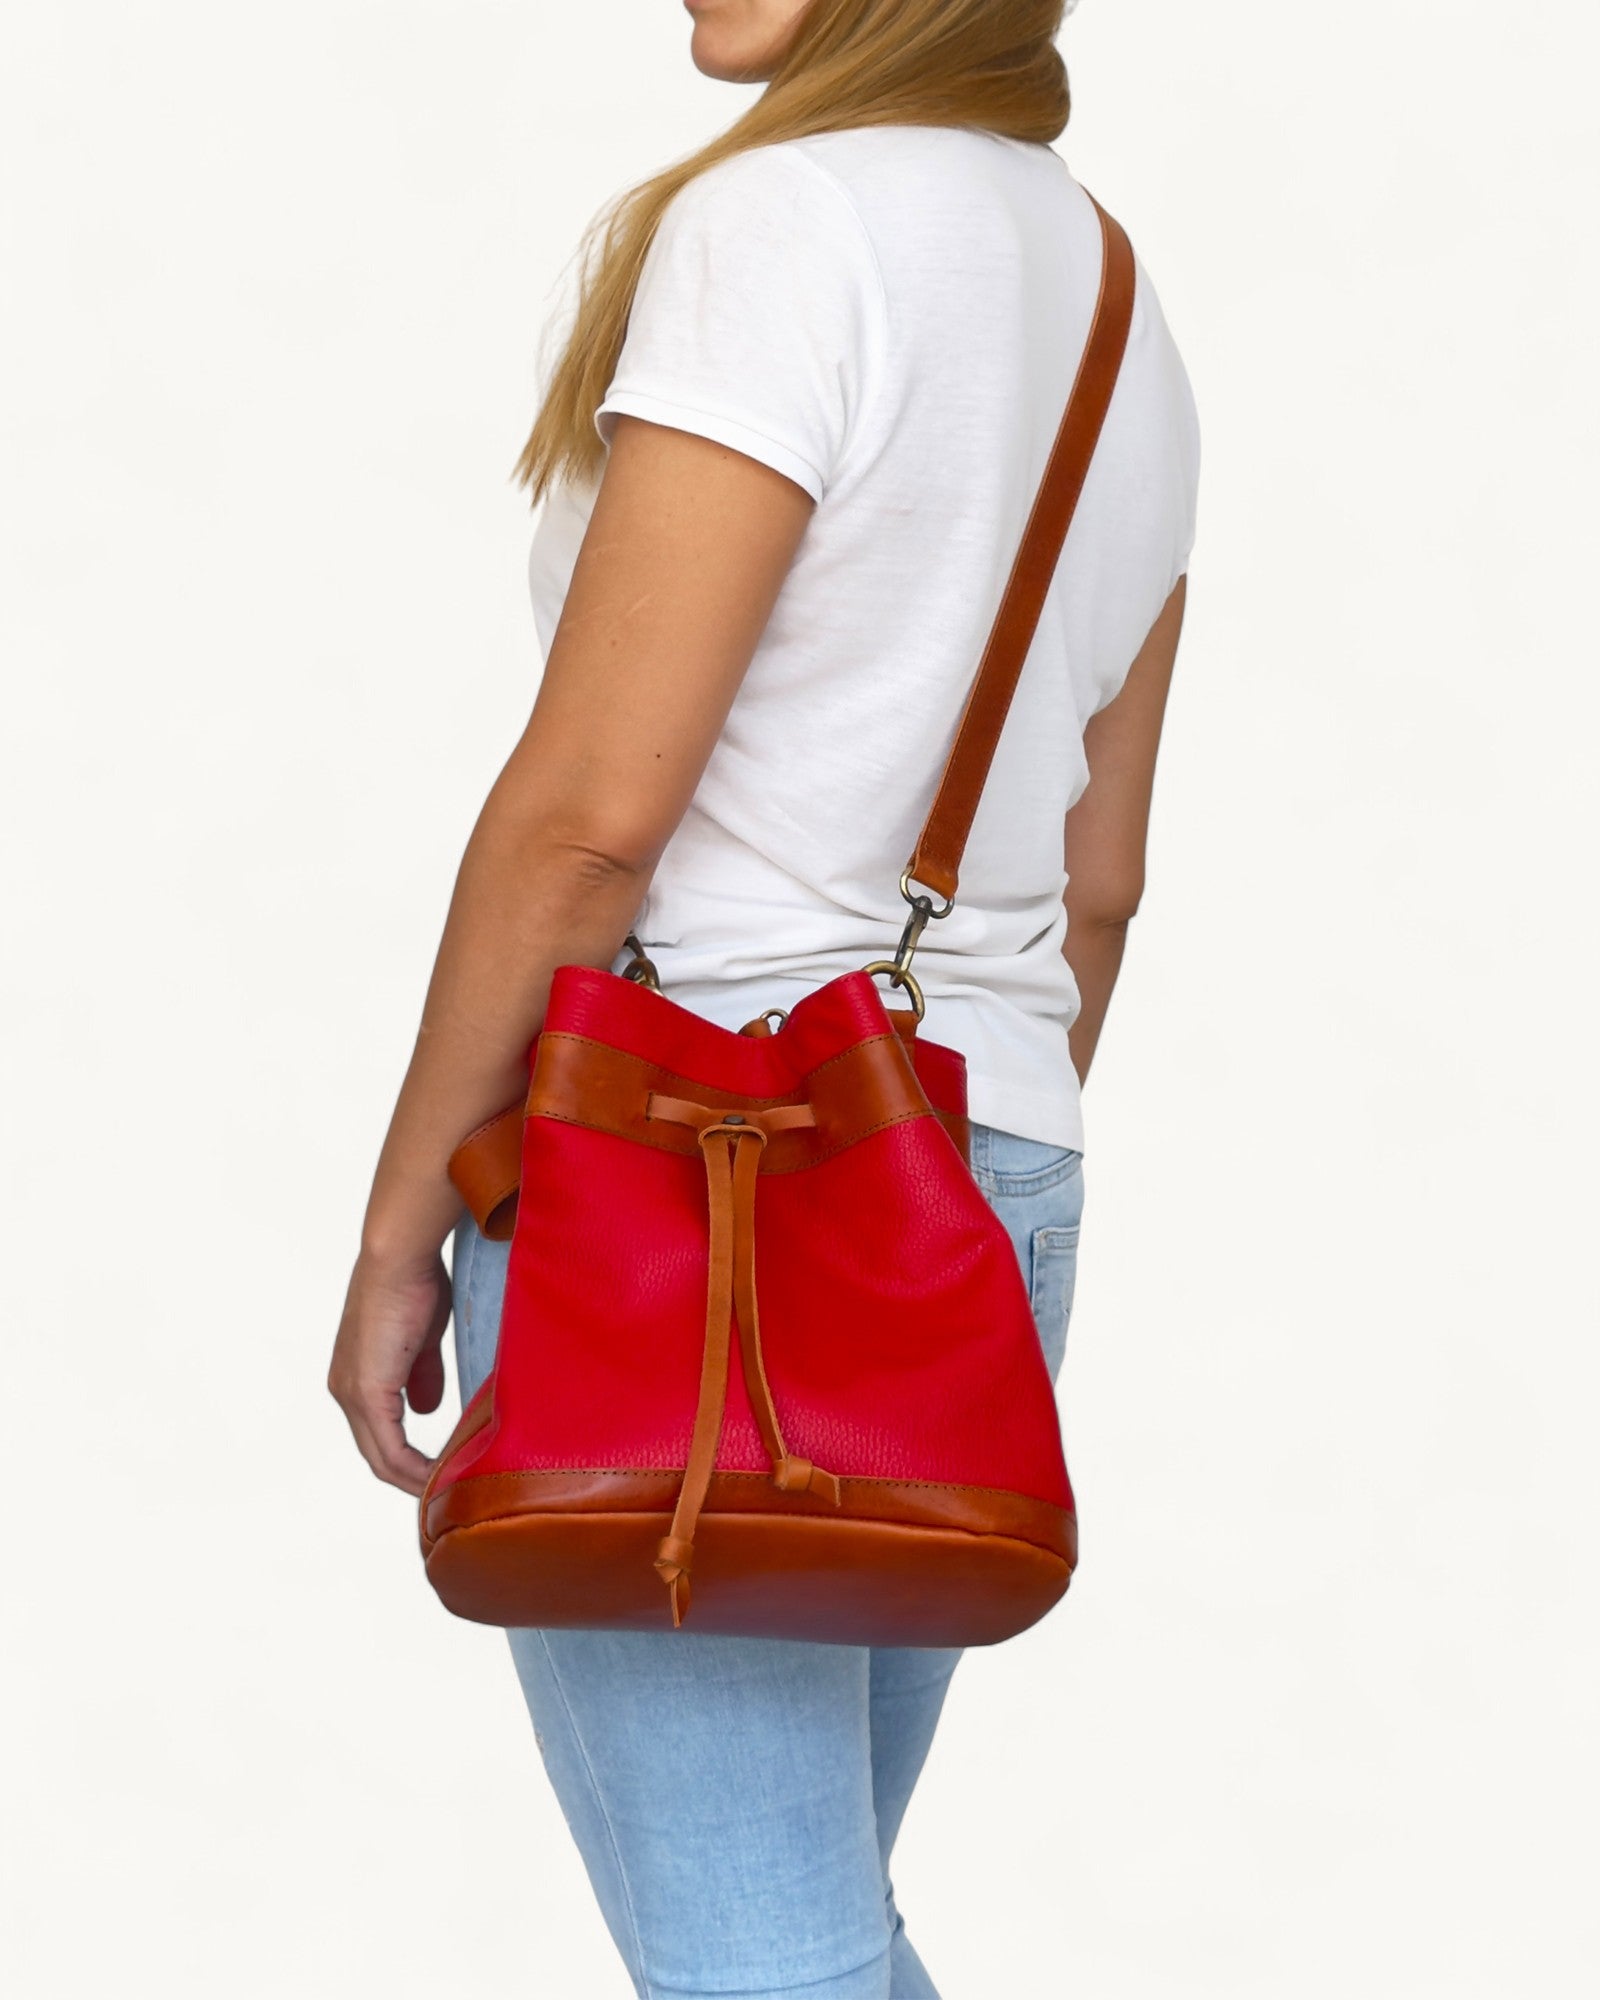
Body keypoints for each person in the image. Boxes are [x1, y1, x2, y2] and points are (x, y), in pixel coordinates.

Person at [328, 1, 1199, 1992]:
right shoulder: (1118, 304)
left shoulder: (780, 227)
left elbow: (589, 822)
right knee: (810, 1941)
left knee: (761, 1968)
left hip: (691, 1200)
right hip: (977, 1174)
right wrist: (935, 1195)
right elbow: (1098, 880)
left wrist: (400, 1224)